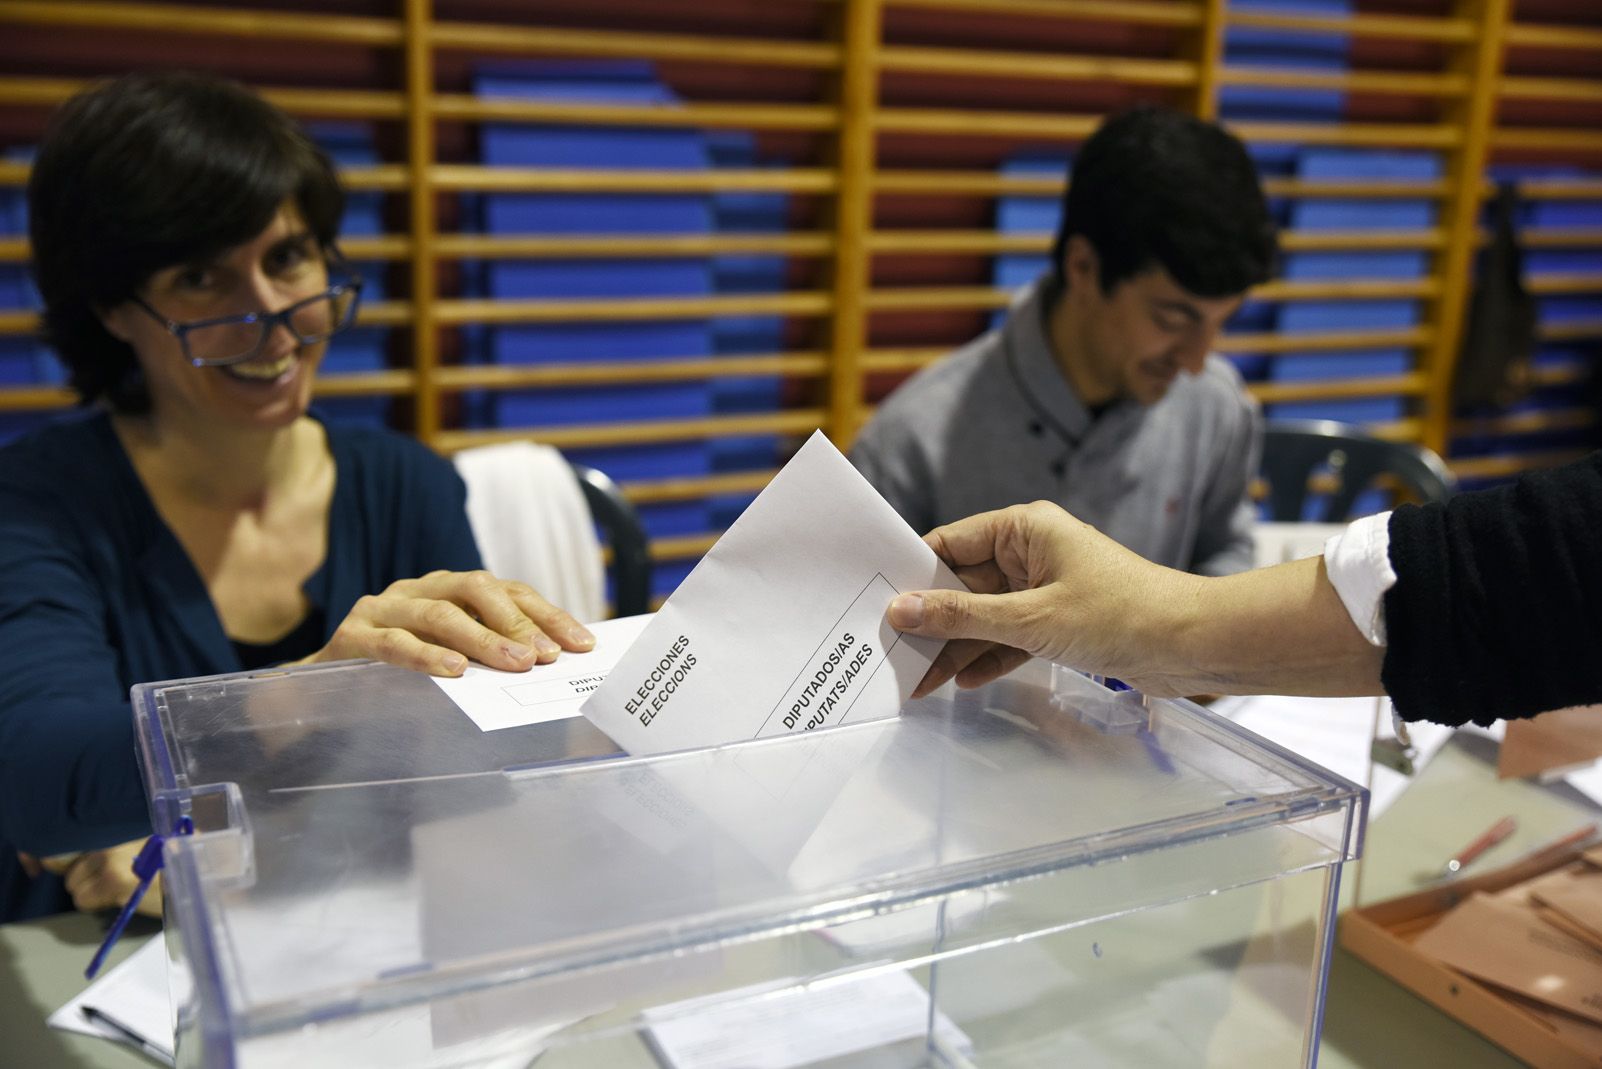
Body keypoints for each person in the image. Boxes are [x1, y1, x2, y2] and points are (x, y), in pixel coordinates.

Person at [0, 72, 593, 922]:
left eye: (287, 258)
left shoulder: (404, 481)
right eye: (201, 278)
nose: (273, 317)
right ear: (111, 310)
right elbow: (36, 780)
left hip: (353, 941)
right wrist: (301, 693)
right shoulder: (36, 505)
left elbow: (455, 776)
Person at [851, 104, 1277, 576]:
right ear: (1083, 269)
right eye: (1173, 318)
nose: (1196, 360)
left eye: (1222, 322)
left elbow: (1225, 553)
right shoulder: (912, 443)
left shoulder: (1216, 408)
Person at [885, 450, 1602, 728]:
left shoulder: (1214, 406)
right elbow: (1542, 566)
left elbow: (1542, 568)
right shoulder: (923, 432)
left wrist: (1163, 631)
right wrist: (1165, 634)